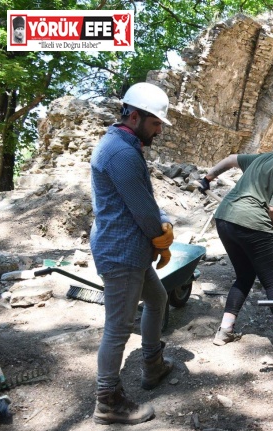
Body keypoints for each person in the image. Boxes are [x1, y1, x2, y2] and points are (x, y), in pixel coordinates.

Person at [90, 82, 175, 424]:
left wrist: (160, 225)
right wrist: (161, 237)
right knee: (118, 328)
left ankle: (153, 365)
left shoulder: (123, 145)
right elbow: (141, 208)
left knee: (157, 299)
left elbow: (142, 198)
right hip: (122, 251)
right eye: (156, 123)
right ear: (135, 116)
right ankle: (107, 400)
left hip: (130, 248)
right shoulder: (121, 153)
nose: (159, 130)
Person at [197, 134, 273, 359]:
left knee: (244, 277)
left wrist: (208, 176)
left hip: (225, 219)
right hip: (252, 223)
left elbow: (232, 158)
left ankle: (224, 331)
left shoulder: (265, 157)